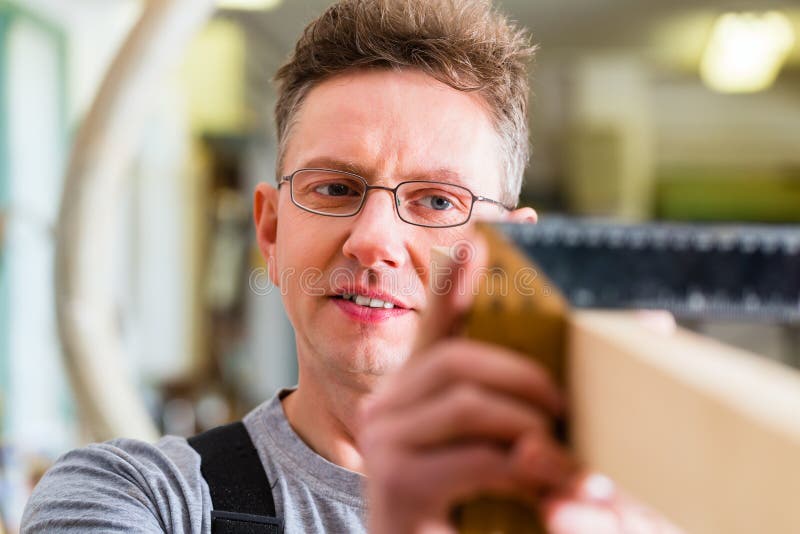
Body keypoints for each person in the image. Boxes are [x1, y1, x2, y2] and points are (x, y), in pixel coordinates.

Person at [22, 1, 680, 532]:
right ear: (272, 231)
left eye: (436, 200)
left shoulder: (628, 513)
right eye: (335, 188)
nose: (374, 239)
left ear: (516, 254)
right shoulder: (136, 499)